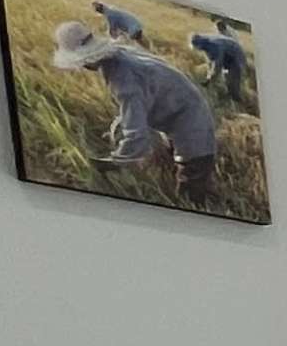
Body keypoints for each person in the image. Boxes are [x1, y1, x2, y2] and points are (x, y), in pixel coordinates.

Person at [46, 19, 220, 208]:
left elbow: (136, 133)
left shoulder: (122, 78)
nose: (83, 67)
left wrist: (115, 162)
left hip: (190, 120)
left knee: (190, 185)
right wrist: (120, 124)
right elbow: (142, 98)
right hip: (179, 108)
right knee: (181, 161)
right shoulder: (121, 54)